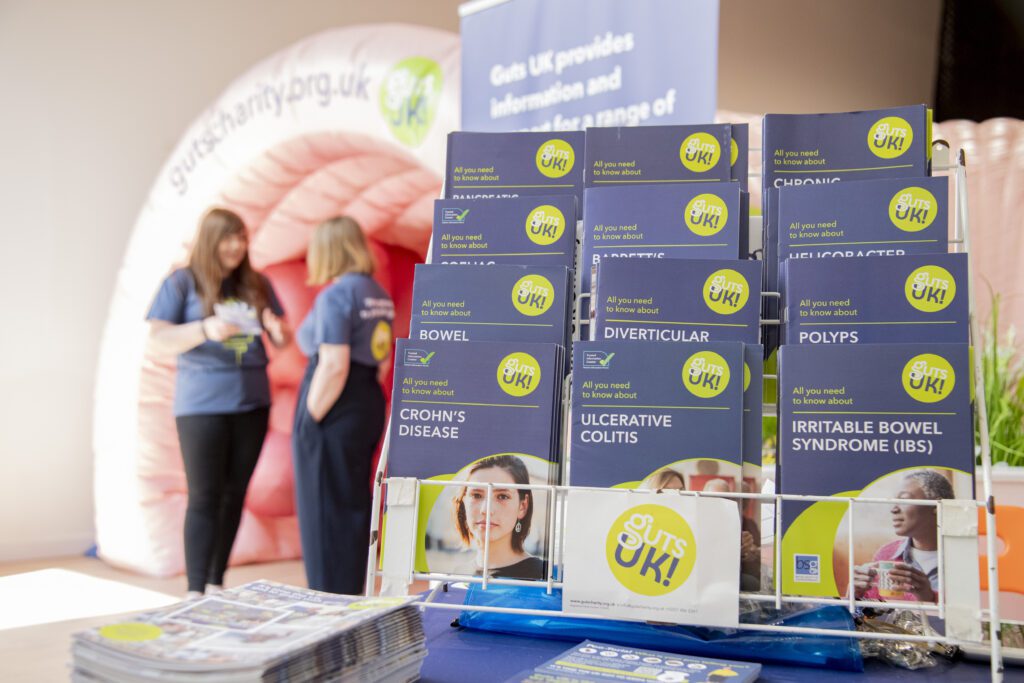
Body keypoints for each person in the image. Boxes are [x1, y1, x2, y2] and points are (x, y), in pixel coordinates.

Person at [146, 208, 291, 598]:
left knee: (234, 494)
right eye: (228, 238)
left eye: (242, 238)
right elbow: (157, 339)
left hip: (253, 404)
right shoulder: (182, 282)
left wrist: (278, 332)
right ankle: (195, 591)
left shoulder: (257, 283)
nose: (236, 246)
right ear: (210, 240)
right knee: (205, 495)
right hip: (201, 406)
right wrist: (204, 328)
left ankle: (216, 582)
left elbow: (280, 338)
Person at [293, 216, 394, 594]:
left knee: (322, 507)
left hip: (333, 404)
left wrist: (310, 419)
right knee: (352, 503)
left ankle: (325, 598)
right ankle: (350, 592)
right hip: (367, 399)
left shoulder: (336, 296)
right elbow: (381, 361)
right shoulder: (377, 294)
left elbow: (334, 364)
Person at [852, 469, 955, 603]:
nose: (893, 509)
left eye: (904, 500)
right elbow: (874, 615)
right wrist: (856, 595)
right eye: (894, 502)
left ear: (936, 505)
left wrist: (929, 598)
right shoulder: (887, 554)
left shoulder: (964, 557)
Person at [452, 455, 544, 580]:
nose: (486, 509)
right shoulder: (458, 574)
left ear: (522, 506)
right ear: (463, 501)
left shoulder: (544, 576)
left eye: (502, 496)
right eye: (476, 495)